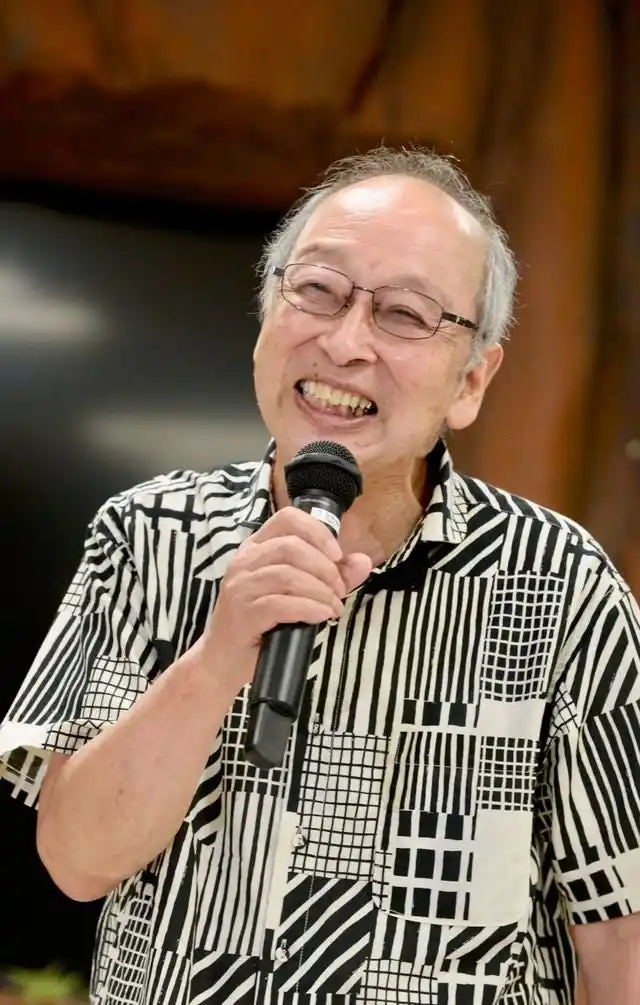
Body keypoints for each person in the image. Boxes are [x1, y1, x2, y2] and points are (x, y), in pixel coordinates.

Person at [1, 146, 639, 1005]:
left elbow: (621, 930)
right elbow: (75, 862)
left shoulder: (560, 582)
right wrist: (218, 655)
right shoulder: (146, 533)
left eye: (404, 314)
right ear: (268, 315)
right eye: (319, 290)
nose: (344, 342)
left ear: (471, 380)